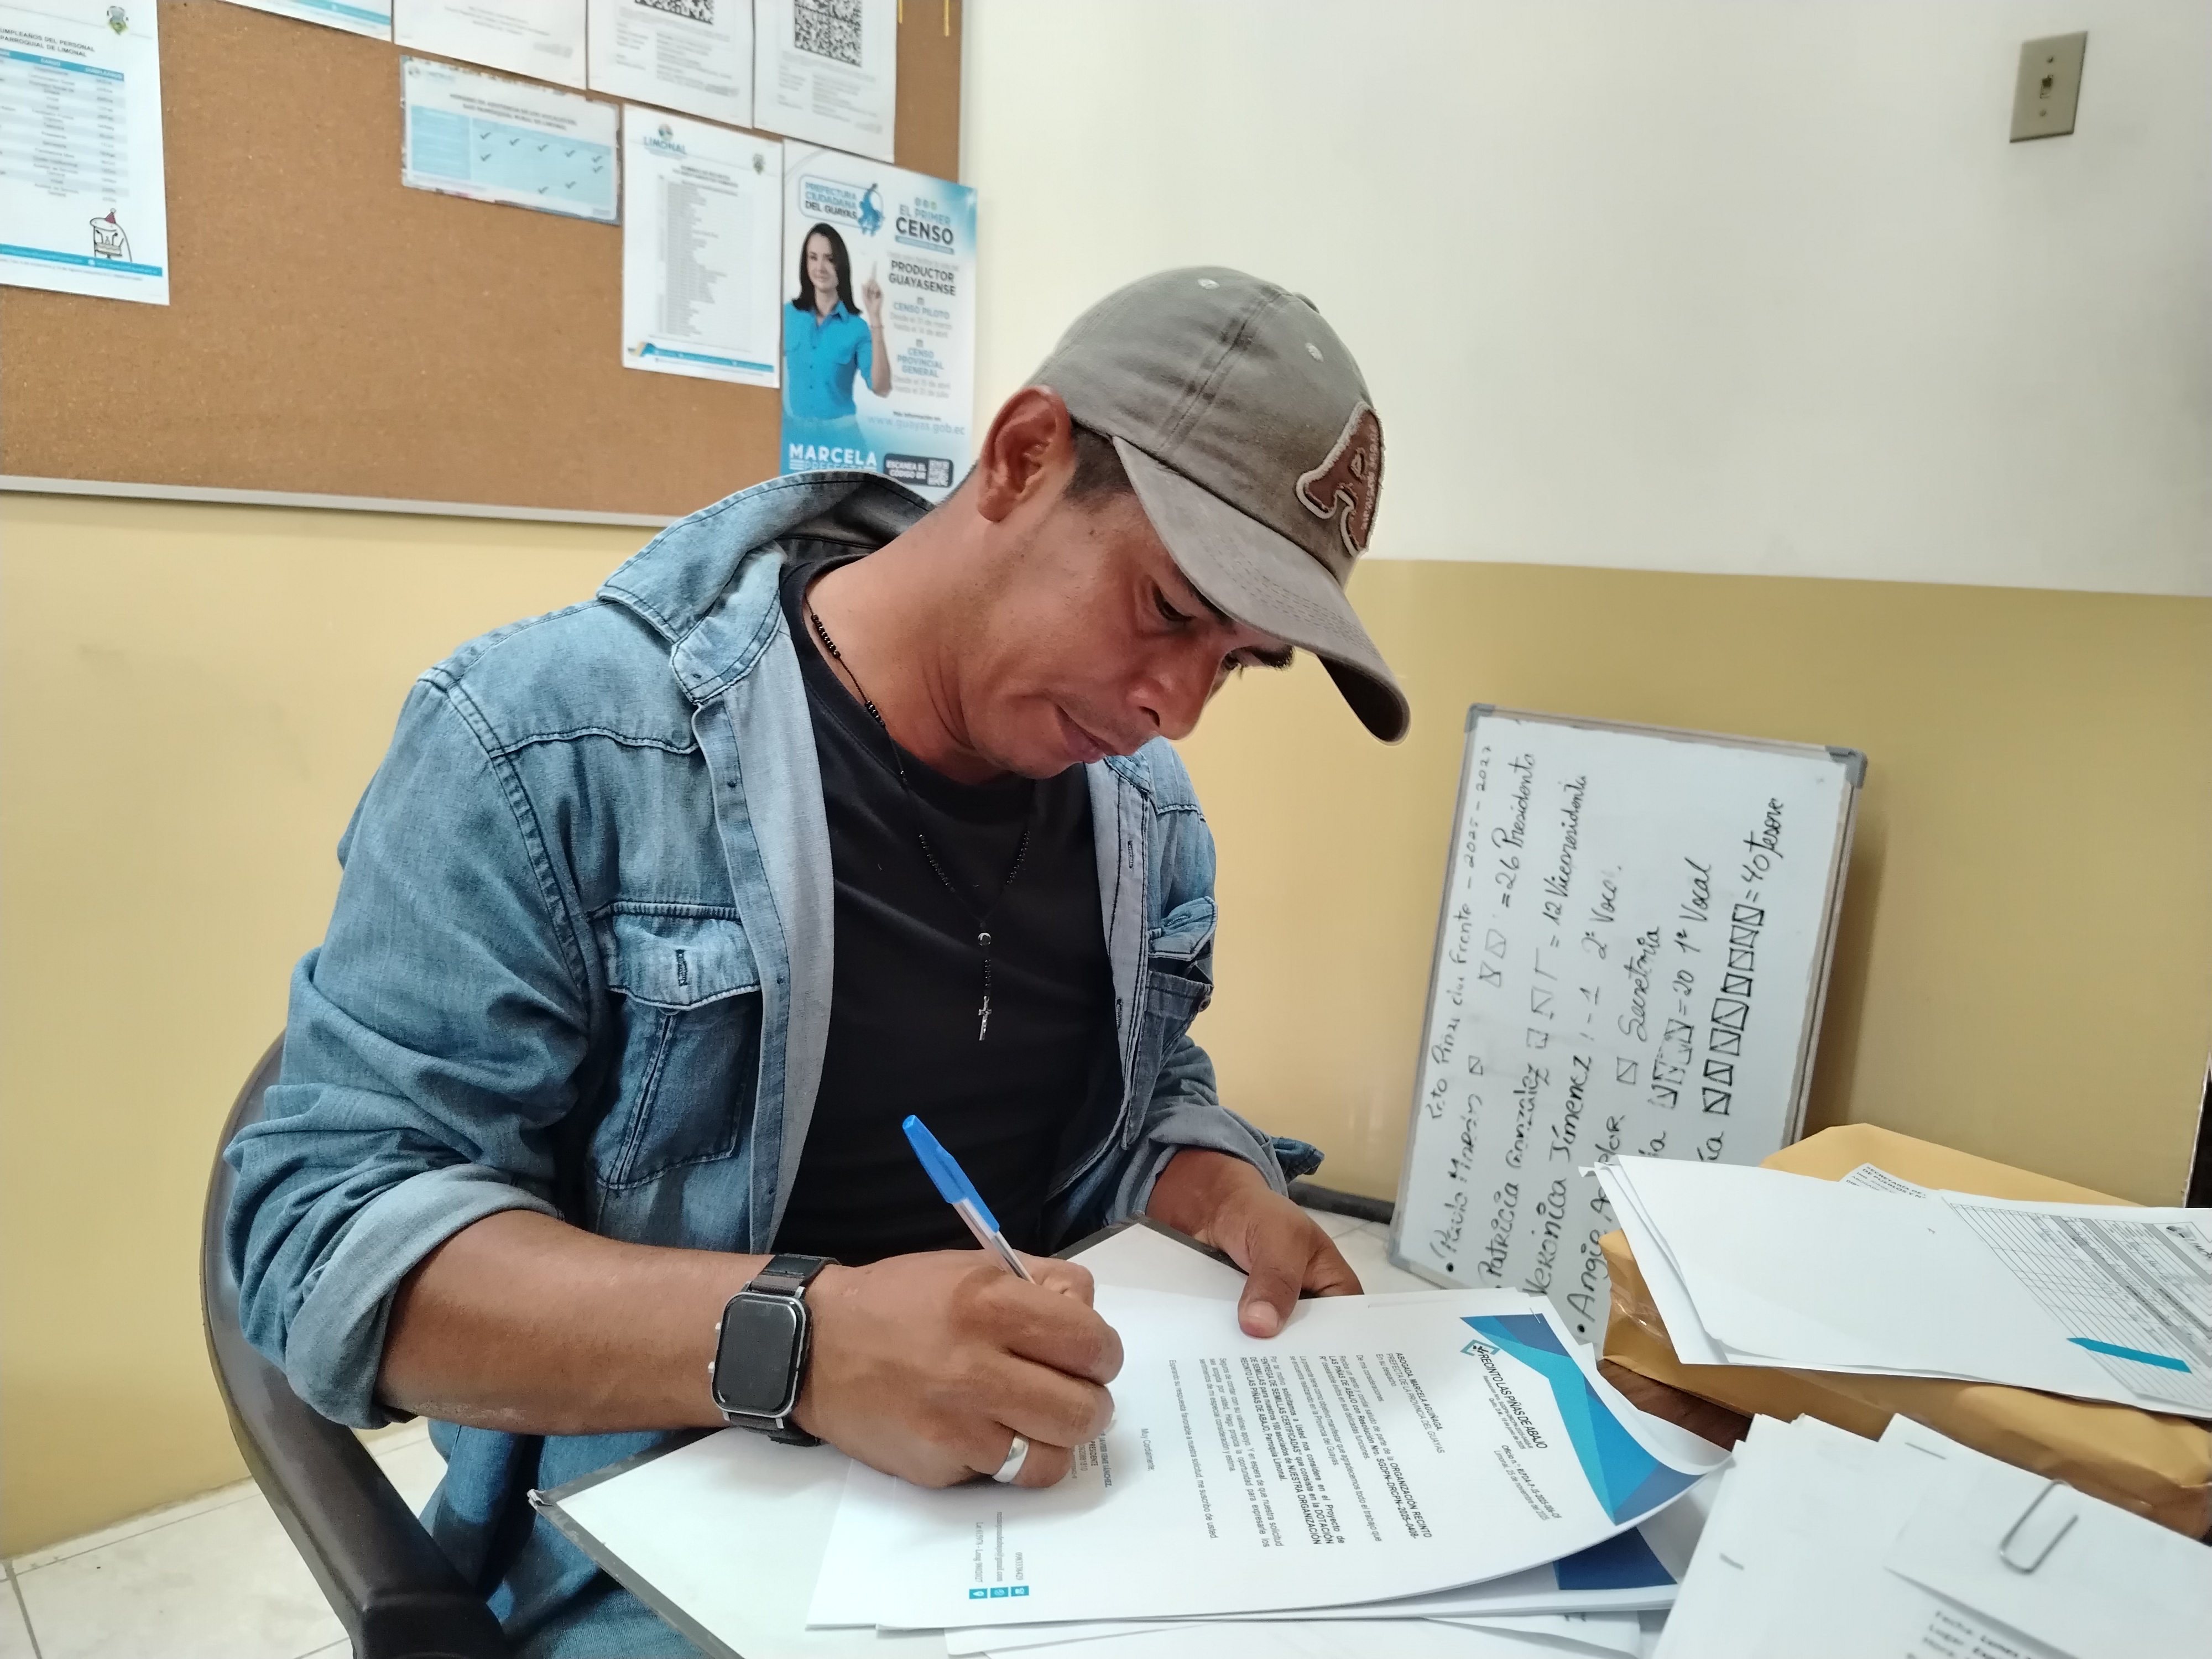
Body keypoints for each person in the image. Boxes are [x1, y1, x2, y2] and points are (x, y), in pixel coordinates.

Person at [226, 267, 1407, 1657]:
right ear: (1023, 456)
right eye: (1164, 608)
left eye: (1239, 662)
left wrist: (1213, 1187)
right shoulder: (546, 743)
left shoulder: (1143, 816)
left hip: (1047, 1520)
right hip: (655, 1553)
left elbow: (1130, 1104)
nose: (1178, 708)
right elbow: (322, 1245)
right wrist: (807, 1342)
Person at [782, 221, 891, 467]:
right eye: (813, 258)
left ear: (841, 266)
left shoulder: (857, 328)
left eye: (829, 259)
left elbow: (881, 387)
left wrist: (875, 317)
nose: (820, 267)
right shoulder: (788, 315)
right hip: (797, 443)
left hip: (842, 445)